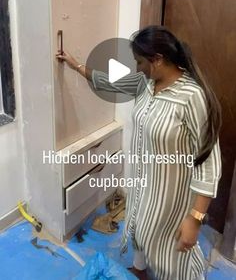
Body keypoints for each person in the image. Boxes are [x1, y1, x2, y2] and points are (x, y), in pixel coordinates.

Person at [56, 25, 222, 280]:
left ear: (158, 60)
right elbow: (110, 81)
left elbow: (209, 163)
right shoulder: (146, 83)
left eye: (140, 62)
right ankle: (140, 269)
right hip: (144, 183)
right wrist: (75, 65)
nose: (137, 68)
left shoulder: (192, 97)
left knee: (172, 249)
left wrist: (196, 218)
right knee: (138, 227)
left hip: (172, 195)